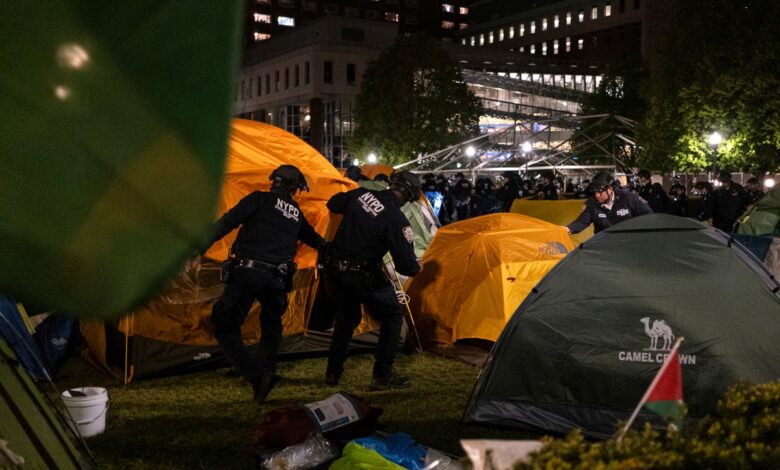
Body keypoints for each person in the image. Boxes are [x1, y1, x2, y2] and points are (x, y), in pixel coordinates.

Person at [205, 165, 324, 405]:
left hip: (248, 272)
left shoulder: (259, 199)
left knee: (225, 323)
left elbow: (227, 222)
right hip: (278, 280)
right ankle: (267, 370)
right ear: (293, 188)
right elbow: (316, 240)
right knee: (271, 324)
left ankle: (256, 375)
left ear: (274, 182)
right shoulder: (296, 214)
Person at [323, 171, 422, 390]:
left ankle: (332, 372)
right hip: (361, 276)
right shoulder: (397, 220)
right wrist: (417, 267)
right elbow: (406, 265)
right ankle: (382, 376)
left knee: (347, 317)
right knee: (393, 316)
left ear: (391, 184)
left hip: (333, 271)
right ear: (409, 196)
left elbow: (333, 203)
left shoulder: (361, 194)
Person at [566, 172, 652, 234]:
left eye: (600, 192)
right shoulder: (592, 203)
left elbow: (648, 215)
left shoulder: (629, 198)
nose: (597, 195)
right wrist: (567, 229)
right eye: (595, 192)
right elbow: (582, 222)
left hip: (628, 243)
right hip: (603, 246)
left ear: (610, 188)